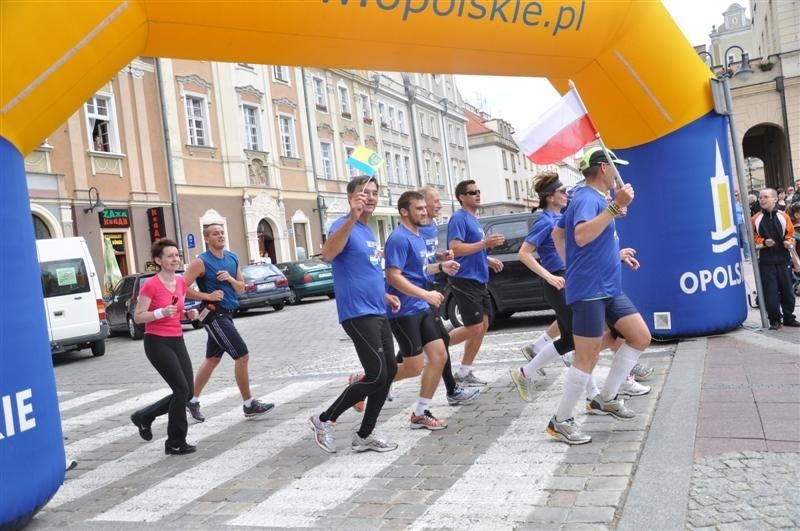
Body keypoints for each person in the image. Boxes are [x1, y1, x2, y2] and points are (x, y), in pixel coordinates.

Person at [510, 172, 649, 402]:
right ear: (549, 197)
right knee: (584, 342)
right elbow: (524, 254)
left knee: (573, 340)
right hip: (559, 282)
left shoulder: (564, 215)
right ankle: (594, 394)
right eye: (561, 192)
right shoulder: (544, 221)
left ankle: (525, 372)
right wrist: (550, 276)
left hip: (572, 278)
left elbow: (585, 246)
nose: (566, 195)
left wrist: (616, 254)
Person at [548, 148, 652, 445]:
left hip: (606, 285)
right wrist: (614, 209)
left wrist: (610, 256)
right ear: (604, 168)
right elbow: (580, 235)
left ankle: (605, 398)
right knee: (587, 357)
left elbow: (560, 235)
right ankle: (561, 421)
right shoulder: (584, 197)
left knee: (640, 337)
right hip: (590, 290)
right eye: (615, 167)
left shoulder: (594, 198)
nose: (619, 173)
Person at [308, 175, 401, 454]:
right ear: (351, 197)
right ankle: (323, 419)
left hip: (377, 309)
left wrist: (384, 295)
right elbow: (328, 253)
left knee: (389, 372)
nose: (370, 197)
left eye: (374, 192)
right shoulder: (343, 225)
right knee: (375, 374)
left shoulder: (369, 232)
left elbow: (367, 271)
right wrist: (351, 216)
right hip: (357, 313)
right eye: (364, 193)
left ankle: (364, 435)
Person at [383, 191, 462, 430]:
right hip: (403, 310)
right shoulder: (398, 238)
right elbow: (393, 277)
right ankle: (367, 381)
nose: (424, 212)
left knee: (439, 356)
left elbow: (419, 270)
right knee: (413, 367)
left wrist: (441, 266)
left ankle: (420, 412)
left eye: (424, 208)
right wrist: (425, 294)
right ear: (404, 212)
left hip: (421, 306)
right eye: (418, 209)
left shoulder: (417, 236)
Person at [184, 224, 273, 421]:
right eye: (215, 233)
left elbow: (241, 289)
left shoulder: (232, 257)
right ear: (207, 239)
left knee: (212, 359)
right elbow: (182, 288)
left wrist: (231, 280)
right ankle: (249, 404)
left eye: (222, 232)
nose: (220, 236)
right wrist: (207, 295)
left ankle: (191, 400)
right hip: (214, 315)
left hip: (229, 313)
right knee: (242, 355)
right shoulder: (201, 262)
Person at [129, 239, 200, 455]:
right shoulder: (150, 284)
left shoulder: (180, 282)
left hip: (177, 339)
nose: (175, 259)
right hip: (156, 342)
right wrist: (159, 313)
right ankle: (175, 442)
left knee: (187, 392)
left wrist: (188, 315)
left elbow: (177, 310)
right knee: (180, 390)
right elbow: (138, 316)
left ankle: (144, 416)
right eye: (169, 256)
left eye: (176, 255)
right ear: (158, 260)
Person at [419, 185, 480, 406]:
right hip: (415, 296)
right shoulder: (412, 230)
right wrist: (442, 266)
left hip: (427, 292)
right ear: (422, 203)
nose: (439, 204)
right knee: (415, 356)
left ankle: (452, 391)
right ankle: (370, 381)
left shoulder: (432, 225)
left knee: (436, 344)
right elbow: (415, 266)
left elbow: (426, 256)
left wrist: (439, 256)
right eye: (435, 200)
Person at [447, 179, 505, 386]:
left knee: (484, 324)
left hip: (479, 278)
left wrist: (487, 259)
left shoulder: (474, 218)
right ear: (462, 197)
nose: (477, 195)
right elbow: (455, 248)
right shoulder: (459, 218)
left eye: (478, 191)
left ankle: (464, 371)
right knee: (473, 327)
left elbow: (472, 250)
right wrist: (485, 244)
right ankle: (436, 345)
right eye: (472, 192)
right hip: (464, 279)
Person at [752, 188, 799, 330]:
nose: (762, 199)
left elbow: (790, 234)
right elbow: (753, 239)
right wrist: (764, 243)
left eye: (765, 197)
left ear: (774, 199)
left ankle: (789, 318)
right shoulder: (756, 219)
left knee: (788, 291)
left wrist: (788, 242)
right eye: (760, 197)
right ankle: (775, 320)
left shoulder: (784, 216)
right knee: (770, 292)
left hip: (784, 260)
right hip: (766, 262)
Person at [734, 190, 750, 260]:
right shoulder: (729, 204)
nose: (735, 197)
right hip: (733, 224)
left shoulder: (741, 204)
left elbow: (747, 212)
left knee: (745, 240)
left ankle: (747, 256)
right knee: (735, 241)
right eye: (734, 195)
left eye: (736, 195)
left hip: (742, 223)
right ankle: (736, 257)